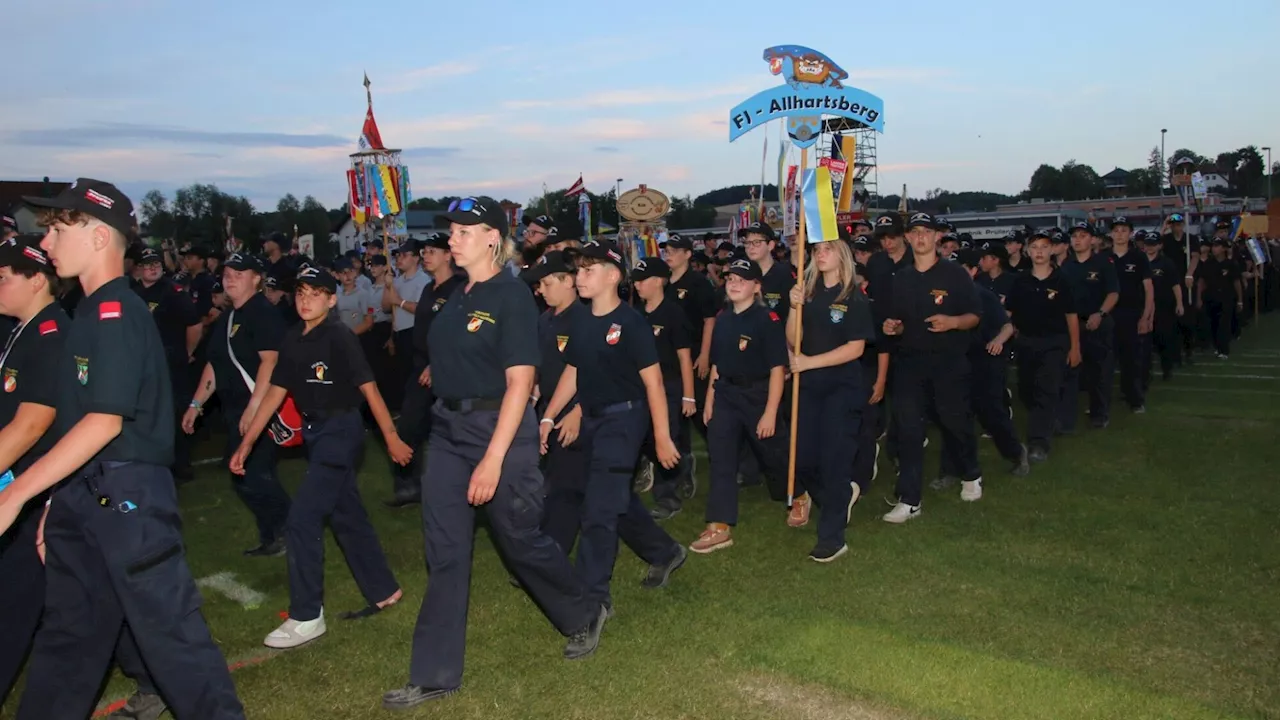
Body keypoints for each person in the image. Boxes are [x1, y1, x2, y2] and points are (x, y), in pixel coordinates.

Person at [0, 178, 245, 719]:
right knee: (68, 642)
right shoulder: (87, 312)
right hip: (86, 496)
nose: (46, 243)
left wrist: (17, 495)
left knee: (174, 643)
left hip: (128, 497)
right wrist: (54, 504)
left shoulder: (115, 311)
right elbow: (76, 424)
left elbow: (104, 423)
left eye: (59, 230)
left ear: (97, 237)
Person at [384, 197, 608, 711]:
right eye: (452, 230)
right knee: (444, 550)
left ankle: (582, 612)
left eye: (465, 230)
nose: (453, 238)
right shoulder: (452, 296)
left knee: (519, 539)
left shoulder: (510, 296)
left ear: (492, 238)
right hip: (448, 429)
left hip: (499, 430)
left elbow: (519, 383)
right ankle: (435, 672)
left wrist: (491, 459)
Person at [231, 266, 410, 649]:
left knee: (302, 519)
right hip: (315, 434)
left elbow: (370, 389)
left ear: (332, 300)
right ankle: (384, 589)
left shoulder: (339, 336)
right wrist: (247, 443)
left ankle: (307, 615)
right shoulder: (292, 338)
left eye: (315, 293)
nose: (305, 300)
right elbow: (276, 393)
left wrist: (391, 438)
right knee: (346, 514)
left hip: (341, 433)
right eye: (300, 293)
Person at [538, 240, 688, 609]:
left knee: (597, 513)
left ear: (612, 275)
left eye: (588, 271)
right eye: (578, 270)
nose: (579, 277)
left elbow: (653, 383)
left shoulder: (631, 323)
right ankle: (664, 551)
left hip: (625, 419)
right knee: (611, 499)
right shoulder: (583, 320)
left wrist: (663, 437)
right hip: (591, 418)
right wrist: (548, 415)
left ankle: (591, 602)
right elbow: (573, 370)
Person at [186, 252, 292, 555]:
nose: (229, 278)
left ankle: (290, 528)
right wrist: (196, 404)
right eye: (227, 273)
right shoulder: (229, 317)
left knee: (255, 474)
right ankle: (273, 534)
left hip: (261, 410)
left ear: (256, 279)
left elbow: (270, 362)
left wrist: (254, 407)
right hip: (235, 409)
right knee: (245, 477)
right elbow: (214, 365)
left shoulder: (263, 312)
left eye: (239, 273)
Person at [0, 234, 68, 705]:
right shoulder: (21, 331)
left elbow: (31, 425)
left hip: (39, 489)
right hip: (20, 486)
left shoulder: (50, 335)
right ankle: (146, 667)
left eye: (2, 278)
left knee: (16, 601)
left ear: (36, 280)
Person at [881, 213, 983, 523]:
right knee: (910, 430)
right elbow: (896, 321)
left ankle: (971, 472)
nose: (921, 237)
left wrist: (953, 322)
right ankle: (910, 499)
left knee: (954, 422)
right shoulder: (901, 278)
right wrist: (892, 327)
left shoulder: (954, 275)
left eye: (927, 231)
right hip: (911, 363)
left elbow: (975, 316)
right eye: (915, 232)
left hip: (948, 361)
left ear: (937, 237)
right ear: (908, 238)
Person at [785, 242, 874, 561]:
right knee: (803, 460)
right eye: (816, 250)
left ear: (842, 256)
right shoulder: (805, 292)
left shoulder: (854, 296)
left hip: (841, 388)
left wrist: (810, 362)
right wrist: (794, 308)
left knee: (834, 461)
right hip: (808, 388)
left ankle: (832, 537)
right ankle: (840, 499)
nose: (820, 255)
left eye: (828, 249)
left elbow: (856, 348)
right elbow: (794, 340)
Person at [386, 232, 465, 508]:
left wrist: (436, 363)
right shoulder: (428, 289)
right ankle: (409, 485)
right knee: (409, 425)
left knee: (449, 428)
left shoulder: (458, 288)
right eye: (425, 251)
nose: (426, 255)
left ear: (448, 255)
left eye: (433, 251)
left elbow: (457, 332)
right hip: (420, 365)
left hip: (444, 367)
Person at [944, 250, 1029, 482]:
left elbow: (1007, 326)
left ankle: (1016, 452)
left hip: (986, 361)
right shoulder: (943, 297)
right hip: (956, 362)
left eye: (961, 269)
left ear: (973, 270)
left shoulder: (984, 296)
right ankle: (951, 469)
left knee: (991, 413)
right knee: (953, 416)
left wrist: (997, 341)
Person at [630, 258, 698, 520]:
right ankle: (683, 463)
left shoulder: (673, 313)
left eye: (642, 280)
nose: (637, 285)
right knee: (645, 437)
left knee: (665, 435)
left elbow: (684, 357)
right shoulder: (637, 315)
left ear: (659, 281)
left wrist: (688, 395)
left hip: (668, 386)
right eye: (635, 280)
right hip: (642, 387)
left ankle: (667, 497)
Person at [1003, 234, 1080, 462]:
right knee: (1027, 390)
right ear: (1028, 251)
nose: (1039, 251)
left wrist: (1075, 347)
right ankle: (1049, 420)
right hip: (1026, 342)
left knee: (1047, 389)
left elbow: (1072, 316)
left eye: (1044, 247)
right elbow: (1008, 312)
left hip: (1054, 343)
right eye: (1034, 247)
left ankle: (1038, 443)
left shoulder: (1061, 280)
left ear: (1051, 251)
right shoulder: (1020, 281)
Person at [133, 247, 202, 482]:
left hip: (172, 363)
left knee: (176, 414)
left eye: (156, 264)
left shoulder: (173, 292)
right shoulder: (133, 293)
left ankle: (182, 467)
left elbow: (194, 324)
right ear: (139, 268)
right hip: (143, 366)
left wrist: (187, 352)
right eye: (147, 264)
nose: (152, 267)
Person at [1057, 223, 1119, 431]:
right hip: (1072, 325)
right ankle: (1066, 419)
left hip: (1097, 324)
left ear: (1092, 240)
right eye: (1074, 236)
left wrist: (1101, 313)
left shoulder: (1104, 263)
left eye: (1083, 236)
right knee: (1070, 371)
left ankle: (1099, 414)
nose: (1077, 240)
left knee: (1099, 372)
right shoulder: (1066, 265)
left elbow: (1113, 293)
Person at [1106, 217, 1154, 414]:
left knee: (1131, 360)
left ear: (1131, 233)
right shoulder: (1102, 256)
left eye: (1123, 230)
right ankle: (1102, 403)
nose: (1119, 234)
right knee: (1104, 361)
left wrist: (1145, 317)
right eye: (1116, 230)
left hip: (1130, 314)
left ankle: (1135, 399)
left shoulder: (1138, 257)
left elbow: (1149, 289)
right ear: (1111, 234)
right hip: (1107, 315)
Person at [1139, 231, 1184, 386]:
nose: (1150, 248)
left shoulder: (1166, 263)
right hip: (1144, 307)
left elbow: (1175, 284)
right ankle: (1146, 373)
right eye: (1147, 244)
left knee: (1164, 340)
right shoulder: (1139, 262)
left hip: (1164, 307)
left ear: (1159, 245)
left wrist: (1179, 303)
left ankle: (1167, 369)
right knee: (1145, 343)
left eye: (1153, 244)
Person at [1195, 237, 1244, 359]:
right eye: (1214, 245)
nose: (1214, 248)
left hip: (1226, 298)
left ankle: (1224, 350)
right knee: (1213, 324)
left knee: (1224, 324)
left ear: (1223, 248)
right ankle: (1217, 347)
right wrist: (1199, 298)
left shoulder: (1231, 264)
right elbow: (1201, 281)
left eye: (1217, 246)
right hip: (1211, 297)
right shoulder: (1208, 263)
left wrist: (1240, 300)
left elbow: (1236, 282)